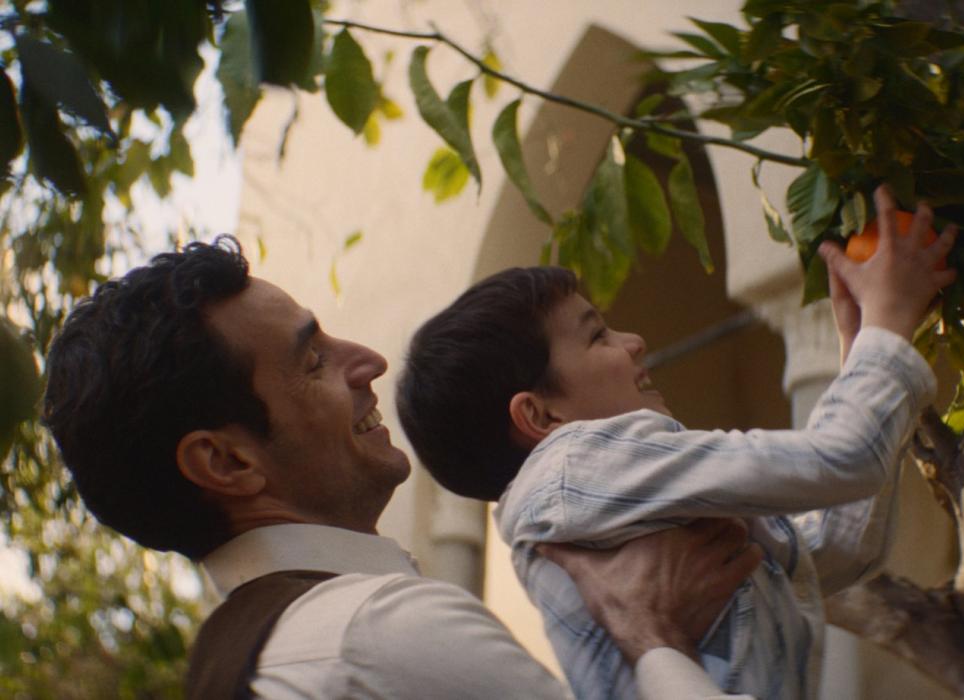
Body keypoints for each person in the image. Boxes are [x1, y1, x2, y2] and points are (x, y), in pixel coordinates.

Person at [41, 235, 762, 698]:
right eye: (313, 360)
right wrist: (651, 636)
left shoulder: (243, 658)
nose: (370, 362)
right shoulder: (380, 632)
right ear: (226, 461)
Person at [397, 186, 957, 699]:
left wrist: (861, 349)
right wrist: (887, 322)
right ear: (540, 415)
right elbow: (843, 459)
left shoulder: (606, 508)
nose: (633, 342)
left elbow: (835, 549)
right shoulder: (575, 464)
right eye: (597, 336)